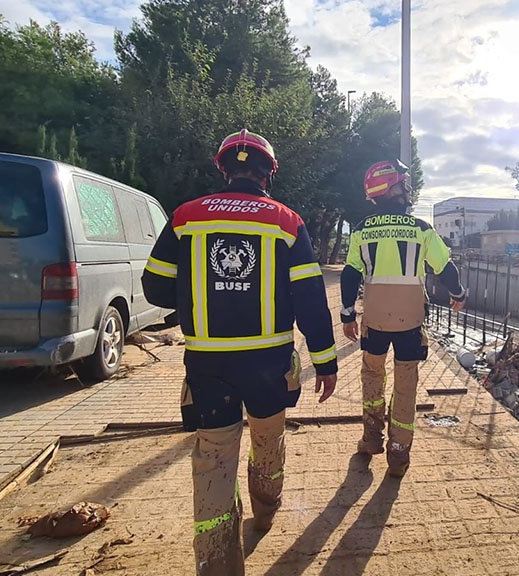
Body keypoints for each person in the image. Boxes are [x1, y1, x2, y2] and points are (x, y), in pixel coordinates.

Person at [142, 129, 338, 576]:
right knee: (268, 438)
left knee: (213, 455)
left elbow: (154, 286)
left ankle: (216, 563)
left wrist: (197, 295)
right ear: (269, 172)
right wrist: (325, 360)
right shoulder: (287, 221)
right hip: (270, 363)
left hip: (208, 363)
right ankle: (266, 511)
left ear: (223, 168)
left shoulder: (187, 217)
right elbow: (309, 299)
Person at [339, 159, 466, 478]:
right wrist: (459, 293)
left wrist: (347, 313)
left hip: (375, 321)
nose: (408, 189)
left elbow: (350, 273)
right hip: (410, 322)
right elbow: (445, 268)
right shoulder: (422, 229)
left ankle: (371, 438)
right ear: (388, 189)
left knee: (372, 376)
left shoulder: (361, 230)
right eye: (402, 184)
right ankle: (398, 453)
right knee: (406, 383)